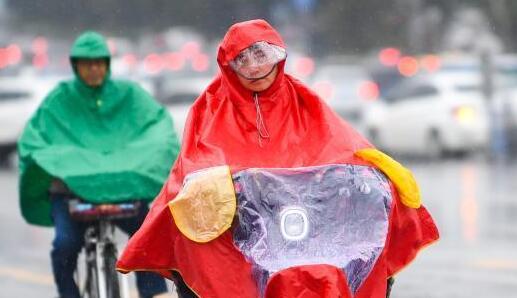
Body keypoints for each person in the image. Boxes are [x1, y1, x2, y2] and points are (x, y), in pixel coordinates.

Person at [117, 20, 439, 298]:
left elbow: (338, 142)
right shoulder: (211, 107)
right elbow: (198, 159)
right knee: (200, 239)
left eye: (262, 55)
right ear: (229, 65)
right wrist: (225, 184)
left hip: (304, 221)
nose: (256, 68)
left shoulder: (303, 99)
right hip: (239, 225)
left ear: (278, 57)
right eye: (243, 59)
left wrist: (370, 173)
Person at [18, 31, 180, 298]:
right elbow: (37, 138)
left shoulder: (128, 94)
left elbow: (156, 127)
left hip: (122, 193)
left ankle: (154, 294)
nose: (93, 69)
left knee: (148, 238)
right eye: (86, 63)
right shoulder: (60, 99)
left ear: (107, 64)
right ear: (75, 66)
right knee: (65, 247)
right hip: (71, 195)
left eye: (98, 63)